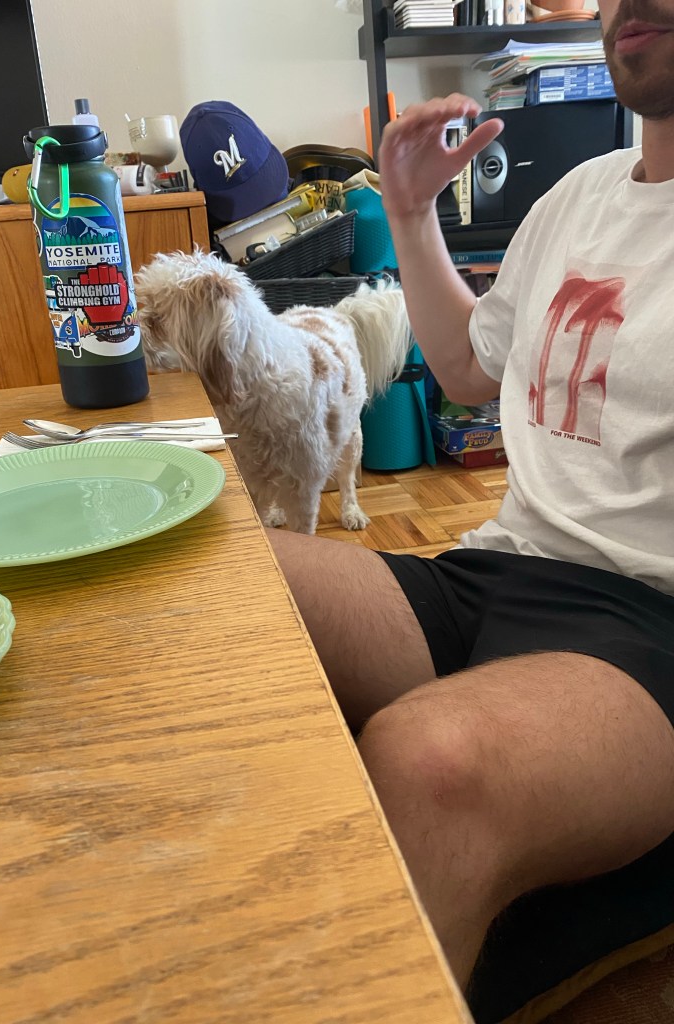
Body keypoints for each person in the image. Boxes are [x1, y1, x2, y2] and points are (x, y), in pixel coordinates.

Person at [268, 0, 674, 1001]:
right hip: (495, 571)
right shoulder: (578, 196)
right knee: (232, 577)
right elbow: (463, 370)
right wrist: (410, 212)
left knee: (426, 759)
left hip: (652, 631)